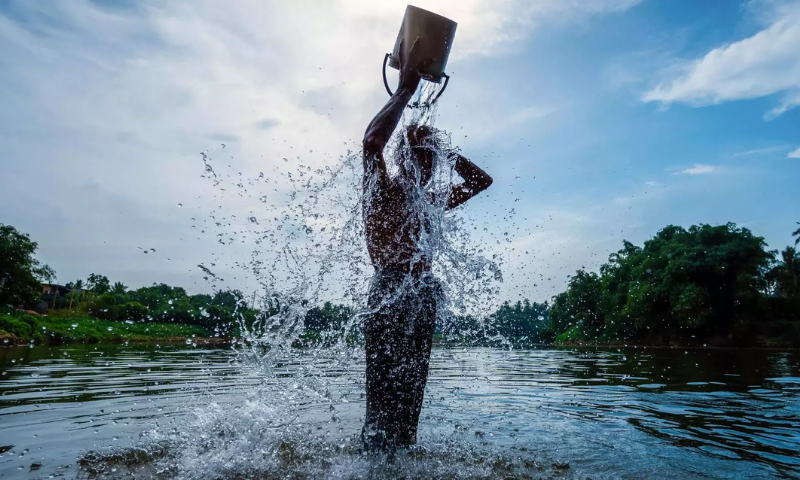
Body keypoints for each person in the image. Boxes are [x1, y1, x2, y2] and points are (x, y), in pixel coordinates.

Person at [361, 38, 493, 450]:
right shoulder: (379, 191)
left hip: (423, 292)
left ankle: (404, 458)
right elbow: (370, 144)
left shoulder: (431, 205)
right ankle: (371, 461)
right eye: (420, 156)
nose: (428, 165)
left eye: (431, 160)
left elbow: (481, 182)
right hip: (390, 290)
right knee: (381, 398)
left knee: (410, 398)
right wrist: (404, 91)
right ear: (403, 158)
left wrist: (442, 146)